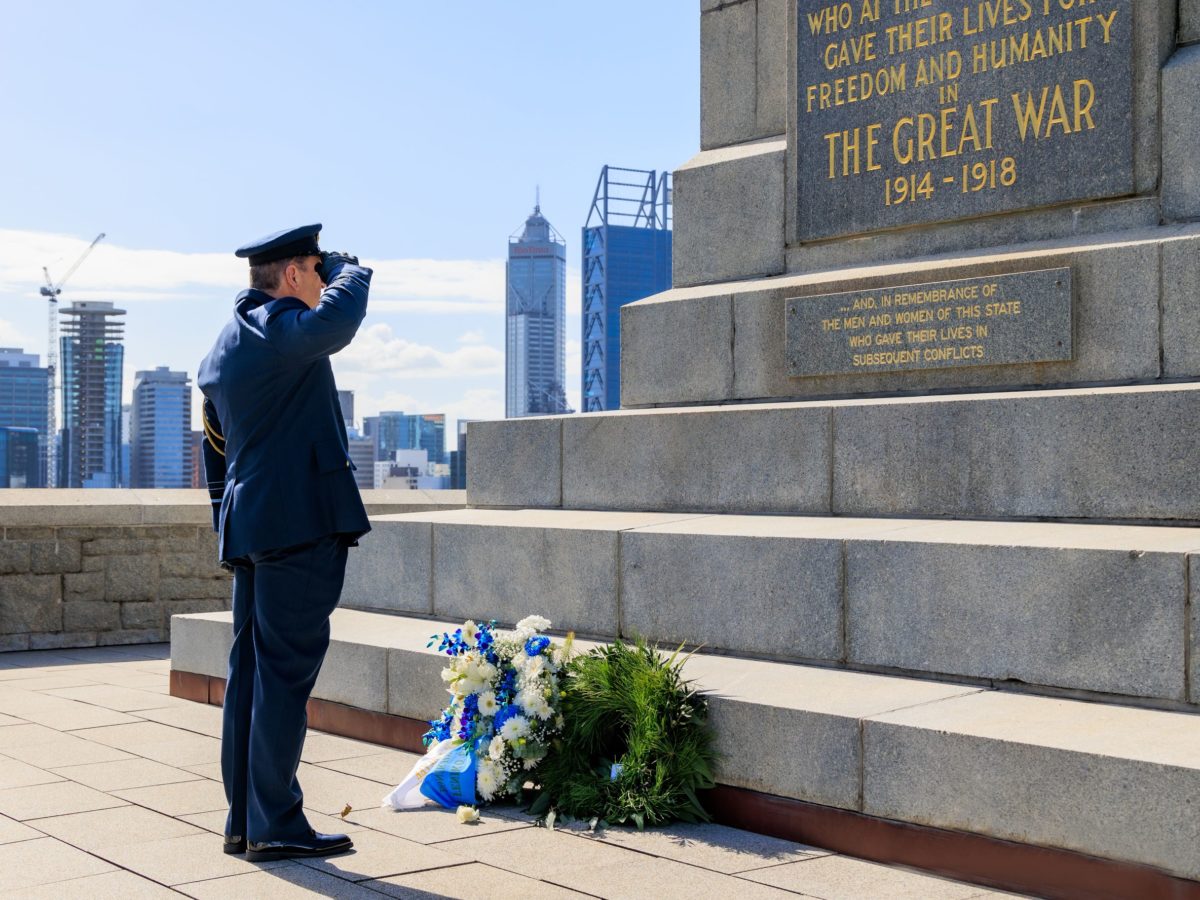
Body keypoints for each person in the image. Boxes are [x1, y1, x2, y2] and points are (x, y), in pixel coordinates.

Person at [197, 223, 372, 862]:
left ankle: (244, 821)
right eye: (317, 270)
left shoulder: (227, 343)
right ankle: (273, 823)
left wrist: (226, 523)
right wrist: (352, 269)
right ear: (294, 274)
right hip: (298, 526)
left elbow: (215, 453)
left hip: (253, 526)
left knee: (250, 674)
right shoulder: (279, 328)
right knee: (281, 678)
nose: (324, 282)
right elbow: (336, 323)